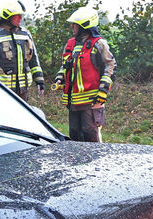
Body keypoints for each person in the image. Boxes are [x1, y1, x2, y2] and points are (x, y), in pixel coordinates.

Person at [54, 6, 116, 142]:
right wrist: (60, 78)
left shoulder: (98, 44)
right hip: (74, 101)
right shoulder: (71, 44)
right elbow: (65, 65)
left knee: (90, 134)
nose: (72, 27)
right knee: (75, 134)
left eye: (75, 24)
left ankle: (96, 161)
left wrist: (103, 90)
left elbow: (110, 65)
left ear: (84, 26)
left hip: (92, 100)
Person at [0, 1, 45, 101]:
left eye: (21, 15)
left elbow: (34, 59)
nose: (20, 18)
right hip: (2, 91)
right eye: (17, 16)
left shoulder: (25, 34)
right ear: (7, 17)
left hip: (23, 90)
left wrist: (39, 80)